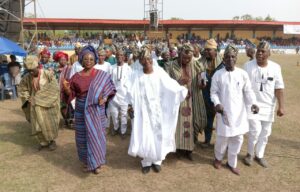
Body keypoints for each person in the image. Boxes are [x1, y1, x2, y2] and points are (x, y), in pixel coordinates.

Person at [126, 46, 187, 174]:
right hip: (142, 112)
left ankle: (157, 160)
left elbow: (170, 85)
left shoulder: (160, 73)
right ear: (140, 61)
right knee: (145, 135)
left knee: (158, 135)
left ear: (152, 59)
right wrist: (130, 106)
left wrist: (180, 90)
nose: (147, 61)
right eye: (144, 59)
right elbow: (129, 92)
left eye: (149, 58)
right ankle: (146, 161)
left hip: (158, 112)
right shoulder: (135, 75)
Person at [63, 45, 116, 174]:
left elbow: (110, 89)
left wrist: (103, 98)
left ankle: (97, 163)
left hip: (97, 110)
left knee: (97, 136)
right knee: (83, 137)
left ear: (95, 60)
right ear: (81, 60)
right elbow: (71, 94)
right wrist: (66, 89)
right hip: (81, 110)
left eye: (91, 59)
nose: (88, 61)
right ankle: (87, 162)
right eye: (86, 59)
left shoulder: (102, 75)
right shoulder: (76, 76)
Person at [211, 44, 259, 175]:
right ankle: (218, 158)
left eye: (233, 56)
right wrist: (217, 103)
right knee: (222, 138)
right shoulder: (218, 75)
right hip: (224, 112)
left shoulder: (242, 74)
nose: (230, 59)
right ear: (224, 58)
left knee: (238, 139)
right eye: (227, 57)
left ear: (236, 58)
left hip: (239, 114)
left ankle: (232, 163)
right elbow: (213, 92)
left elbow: (248, 91)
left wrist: (253, 103)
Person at [243, 41, 285, 168]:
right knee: (255, 130)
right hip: (253, 105)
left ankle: (259, 155)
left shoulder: (275, 68)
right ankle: (249, 154)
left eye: (263, 51)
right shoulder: (248, 66)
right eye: (258, 50)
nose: (260, 53)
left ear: (269, 53)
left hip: (268, 106)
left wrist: (281, 106)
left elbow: (279, 88)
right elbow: (243, 87)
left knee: (265, 132)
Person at [166, 44, 207, 160]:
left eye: (189, 58)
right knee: (178, 125)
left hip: (193, 100)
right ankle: (178, 149)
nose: (187, 60)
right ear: (179, 54)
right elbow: (165, 85)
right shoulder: (170, 66)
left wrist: (202, 84)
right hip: (178, 102)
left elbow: (203, 81)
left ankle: (189, 150)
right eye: (184, 57)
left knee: (193, 124)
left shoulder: (198, 65)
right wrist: (177, 83)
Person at [19, 56, 60, 151]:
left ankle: (51, 141)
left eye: (32, 70)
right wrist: (27, 97)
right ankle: (43, 142)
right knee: (37, 124)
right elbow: (22, 88)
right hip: (35, 105)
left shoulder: (47, 74)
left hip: (48, 105)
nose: (31, 73)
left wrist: (38, 98)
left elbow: (54, 88)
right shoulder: (27, 77)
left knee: (49, 123)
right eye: (29, 71)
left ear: (38, 67)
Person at [199, 39, 223, 147]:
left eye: (209, 50)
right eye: (206, 50)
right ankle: (207, 141)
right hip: (204, 96)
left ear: (215, 50)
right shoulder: (200, 62)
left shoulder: (222, 64)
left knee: (221, 121)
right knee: (207, 120)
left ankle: (221, 142)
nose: (207, 52)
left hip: (219, 98)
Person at [109, 49, 132, 138]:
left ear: (124, 57)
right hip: (113, 96)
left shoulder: (128, 68)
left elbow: (131, 83)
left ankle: (123, 131)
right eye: (118, 55)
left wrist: (130, 98)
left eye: (121, 55)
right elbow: (109, 81)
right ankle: (115, 127)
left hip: (124, 96)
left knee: (123, 115)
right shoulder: (112, 68)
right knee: (114, 115)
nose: (119, 57)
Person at [53, 51, 74, 128]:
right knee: (62, 107)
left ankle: (70, 121)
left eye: (64, 59)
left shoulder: (70, 68)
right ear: (58, 60)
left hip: (68, 90)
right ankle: (66, 120)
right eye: (61, 60)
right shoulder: (55, 70)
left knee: (69, 106)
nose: (63, 61)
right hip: (58, 90)